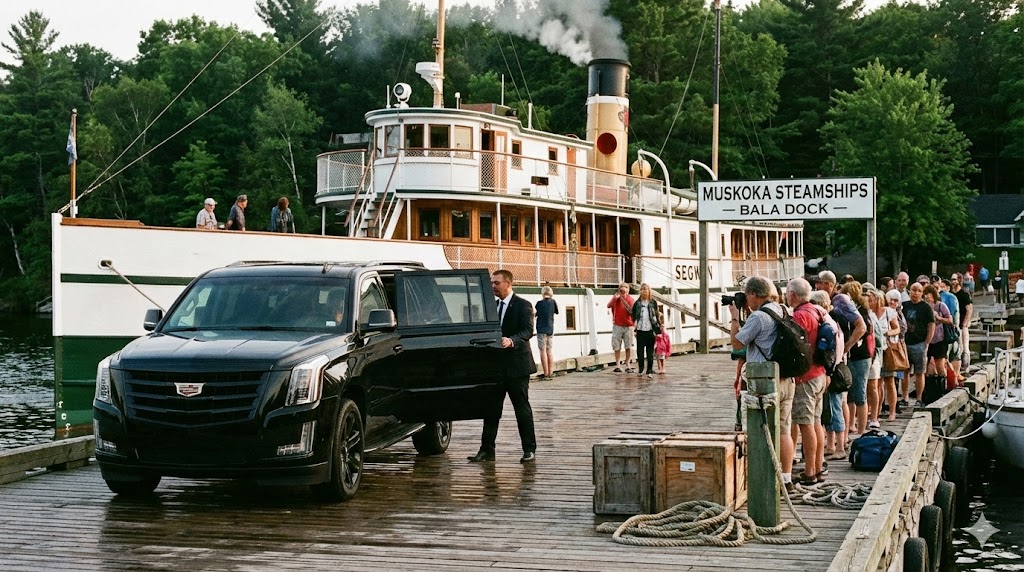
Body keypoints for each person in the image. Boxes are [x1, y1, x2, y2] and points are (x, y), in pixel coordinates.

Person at [730, 275, 796, 492]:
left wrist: (734, 318)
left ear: (753, 294)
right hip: (787, 377)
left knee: (761, 431)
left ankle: (762, 483)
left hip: (764, 381)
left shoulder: (758, 317)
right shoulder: (783, 310)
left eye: (747, 295)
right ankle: (785, 478)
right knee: (784, 429)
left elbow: (738, 342)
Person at [469, 269, 538, 463]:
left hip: (517, 366)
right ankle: (486, 450)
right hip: (495, 367)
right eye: (491, 283)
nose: (492, 286)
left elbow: (527, 331)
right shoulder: (489, 305)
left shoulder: (523, 305)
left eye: (496, 283)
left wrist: (512, 340)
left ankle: (529, 449)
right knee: (491, 409)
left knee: (521, 408)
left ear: (508, 283)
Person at [786, 278, 827, 485]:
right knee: (816, 422)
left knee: (805, 424)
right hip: (819, 373)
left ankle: (810, 472)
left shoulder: (800, 315)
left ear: (793, 294)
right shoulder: (817, 310)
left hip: (806, 376)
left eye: (787, 293)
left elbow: (793, 346)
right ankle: (818, 467)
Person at [811, 290, 848, 461]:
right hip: (837, 367)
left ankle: (840, 446)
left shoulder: (826, 326)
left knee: (835, 409)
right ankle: (831, 444)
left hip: (832, 371)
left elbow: (828, 353)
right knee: (831, 410)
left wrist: (828, 372)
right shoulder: (833, 322)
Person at [902, 282, 936, 407]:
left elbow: (931, 325)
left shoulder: (926, 307)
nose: (915, 293)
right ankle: (904, 397)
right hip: (905, 343)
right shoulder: (904, 305)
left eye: (918, 291)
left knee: (920, 372)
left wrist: (927, 342)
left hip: (919, 343)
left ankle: (919, 398)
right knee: (905, 371)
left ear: (922, 293)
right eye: (913, 290)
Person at [631, 283, 661, 379]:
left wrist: (658, 330)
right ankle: (640, 369)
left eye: (646, 289)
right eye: (642, 289)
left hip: (650, 329)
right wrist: (634, 327)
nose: (644, 291)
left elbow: (656, 316)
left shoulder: (653, 303)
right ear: (640, 291)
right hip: (640, 330)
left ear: (649, 291)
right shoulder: (637, 303)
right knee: (640, 351)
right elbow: (634, 315)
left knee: (650, 352)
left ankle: (649, 370)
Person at [607, 283, 635, 373]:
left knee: (628, 346)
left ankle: (627, 364)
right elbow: (609, 305)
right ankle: (618, 364)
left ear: (628, 290)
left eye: (625, 288)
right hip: (617, 325)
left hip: (628, 326)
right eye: (622, 288)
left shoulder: (631, 300)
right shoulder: (616, 299)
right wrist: (615, 297)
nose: (623, 290)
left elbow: (632, 311)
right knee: (617, 346)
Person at [950, 273, 973, 378]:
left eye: (954, 279)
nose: (953, 281)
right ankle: (956, 371)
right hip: (953, 326)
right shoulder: (950, 294)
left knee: (964, 347)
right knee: (956, 348)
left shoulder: (963, 294)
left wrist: (964, 324)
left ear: (959, 280)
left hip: (962, 325)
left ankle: (967, 368)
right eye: (952, 279)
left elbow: (969, 309)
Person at [534, 286, 558, 380]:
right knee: (549, 350)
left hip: (541, 329)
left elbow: (536, 313)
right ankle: (551, 372)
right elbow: (555, 312)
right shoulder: (553, 302)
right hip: (550, 328)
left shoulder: (539, 303)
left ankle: (545, 373)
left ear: (543, 293)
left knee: (542, 350)